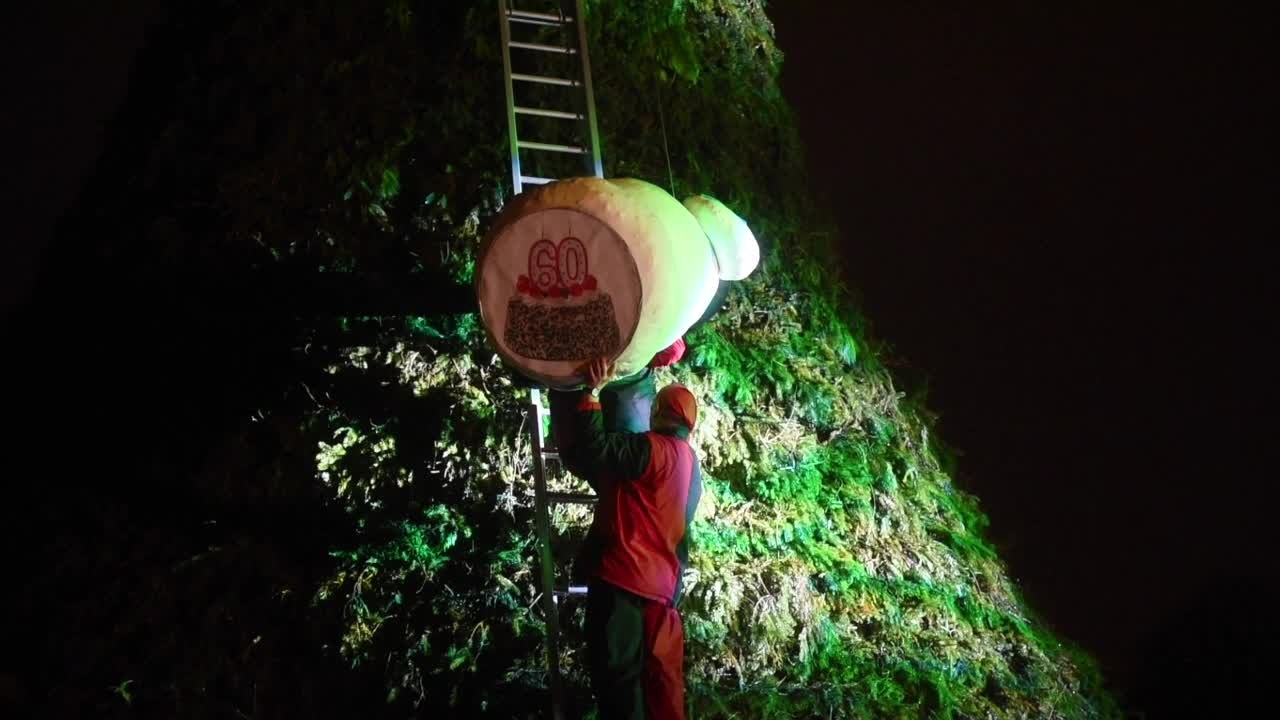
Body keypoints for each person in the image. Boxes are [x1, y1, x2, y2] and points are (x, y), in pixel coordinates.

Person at [558, 355, 702, 720]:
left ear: (657, 413)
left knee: (618, 683)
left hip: (623, 579)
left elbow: (596, 449)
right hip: (659, 591)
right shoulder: (691, 466)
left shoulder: (649, 450)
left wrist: (592, 392)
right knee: (650, 685)